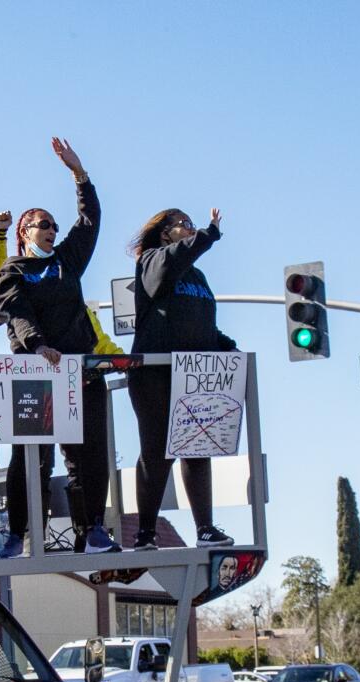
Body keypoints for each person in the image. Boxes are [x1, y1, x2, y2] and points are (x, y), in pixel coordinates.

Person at [0, 138, 120, 557]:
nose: (51, 230)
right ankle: (21, 533)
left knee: (87, 456)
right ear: (25, 231)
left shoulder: (66, 261)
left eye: (53, 226)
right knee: (32, 457)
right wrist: (39, 344)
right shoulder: (13, 270)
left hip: (79, 370)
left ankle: (93, 530)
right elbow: (16, 309)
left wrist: (79, 175)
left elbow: (90, 220)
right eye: (43, 225)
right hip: (35, 373)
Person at [127, 208, 236, 551]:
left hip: (193, 374)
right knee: (158, 452)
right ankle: (145, 534)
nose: (190, 229)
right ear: (164, 233)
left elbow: (199, 321)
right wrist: (208, 234)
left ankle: (205, 528)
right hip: (155, 373)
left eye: (192, 224)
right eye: (184, 224)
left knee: (197, 449)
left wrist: (224, 346)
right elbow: (173, 261)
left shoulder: (198, 277)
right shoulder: (153, 260)